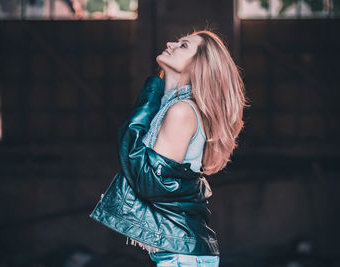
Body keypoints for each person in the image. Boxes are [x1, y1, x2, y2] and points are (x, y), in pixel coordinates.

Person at [90, 30, 248, 267]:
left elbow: (149, 183)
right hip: (180, 253)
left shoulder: (181, 111)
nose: (170, 43)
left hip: (182, 256)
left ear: (199, 66)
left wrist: (151, 93)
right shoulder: (171, 106)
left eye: (183, 45)